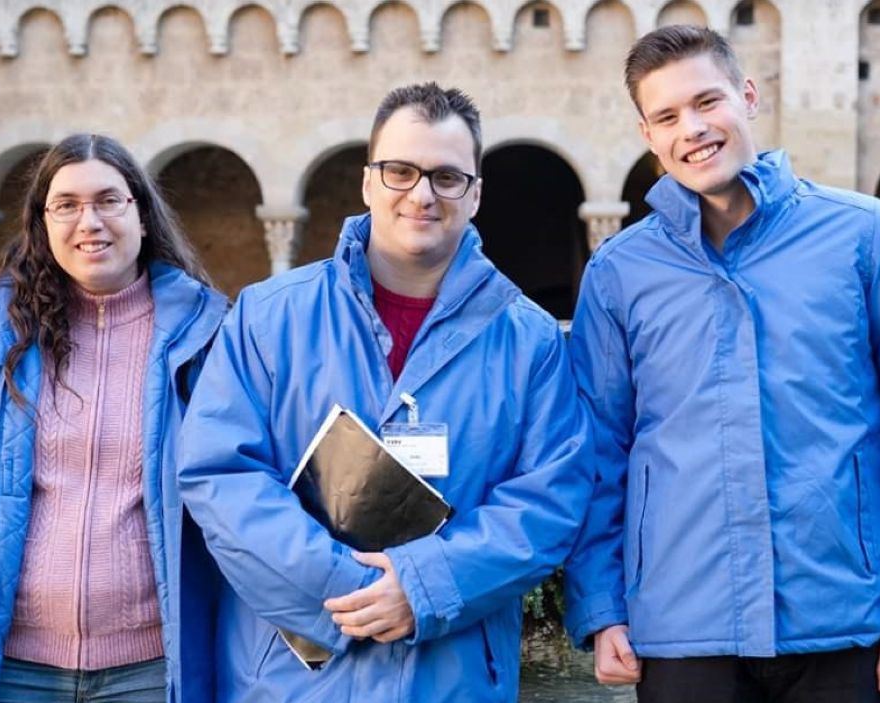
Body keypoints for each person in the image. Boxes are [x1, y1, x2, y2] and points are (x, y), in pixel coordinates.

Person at [561, 25, 880, 703]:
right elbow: (598, 448)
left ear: (748, 96)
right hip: (681, 623)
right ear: (648, 133)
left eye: (708, 101)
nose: (692, 129)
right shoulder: (619, 272)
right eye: (667, 116)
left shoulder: (866, 236)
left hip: (841, 617)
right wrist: (601, 605)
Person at [177, 82, 593, 702]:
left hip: (451, 678)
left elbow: (549, 500)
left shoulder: (527, 339)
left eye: (447, 178)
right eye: (400, 171)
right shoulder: (268, 318)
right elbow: (220, 477)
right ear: (369, 181)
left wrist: (423, 589)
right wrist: (351, 591)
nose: (422, 195)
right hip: (294, 680)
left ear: (475, 194)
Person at [0, 133, 227, 703]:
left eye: (109, 200)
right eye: (66, 205)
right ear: (42, 224)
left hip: (152, 668)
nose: (90, 221)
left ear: (141, 213)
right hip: (13, 669)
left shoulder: (209, 338)